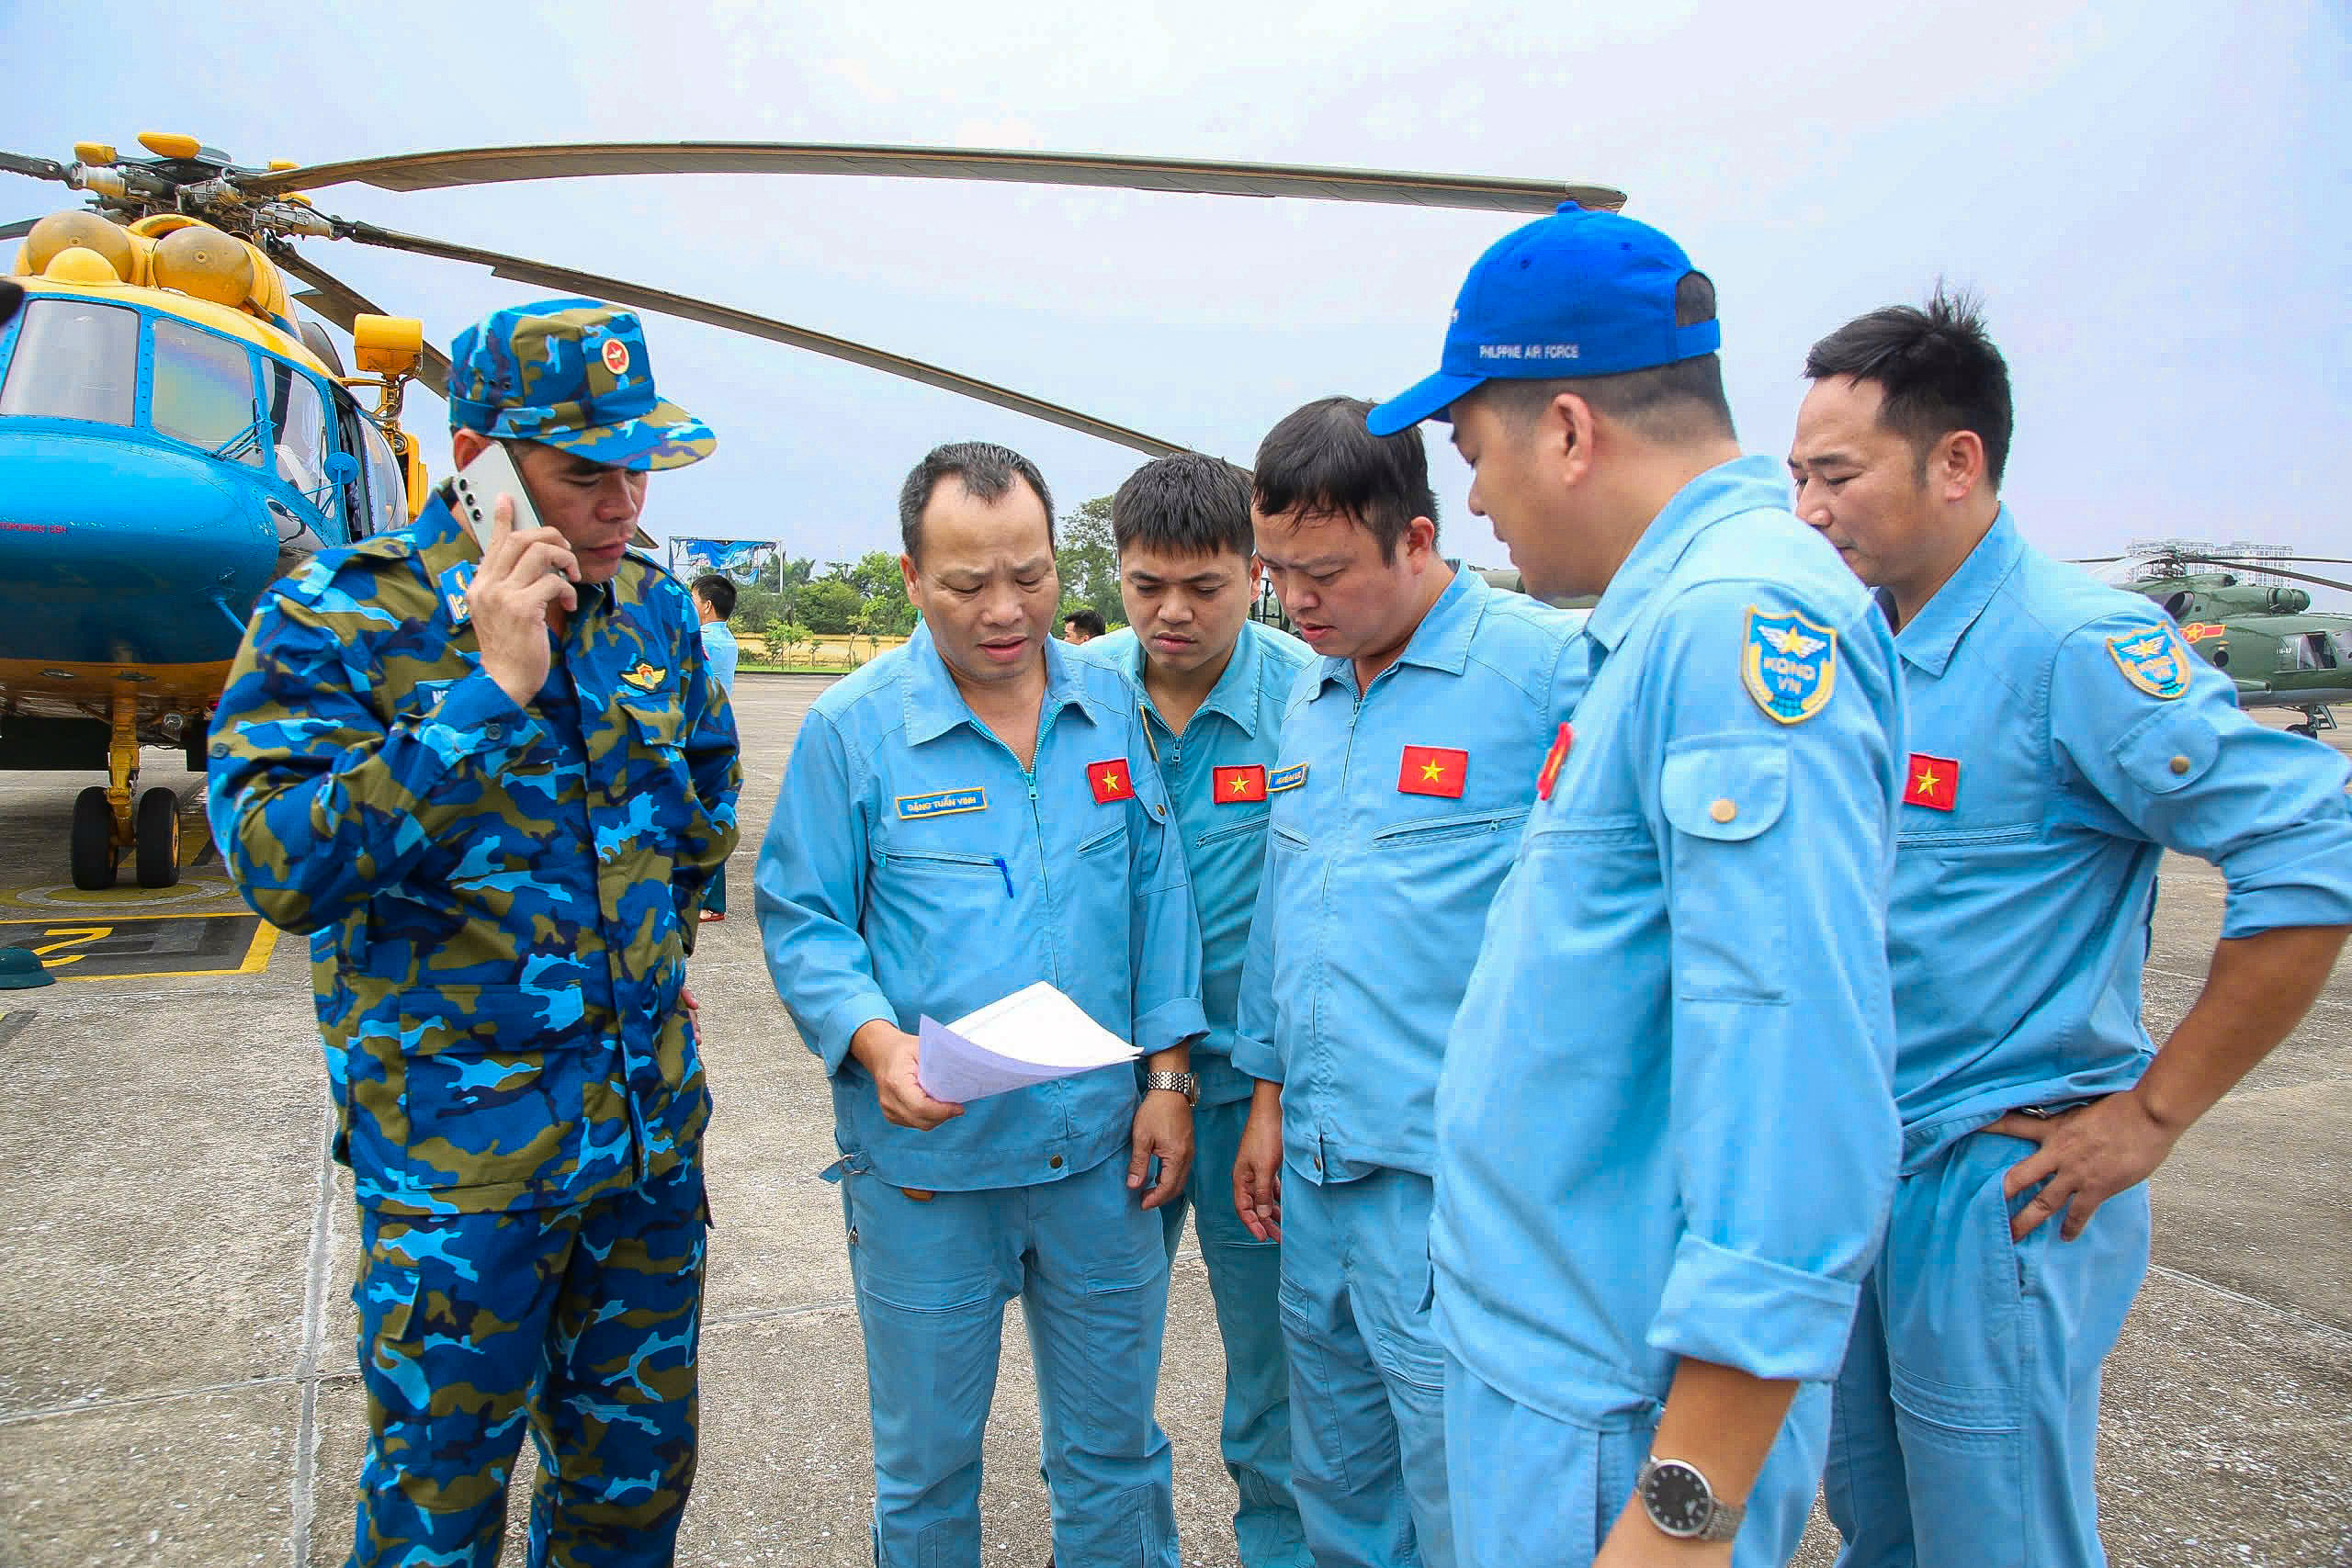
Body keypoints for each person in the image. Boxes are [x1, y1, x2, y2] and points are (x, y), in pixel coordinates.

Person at [1369, 203, 1907, 1567]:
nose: (1474, 497)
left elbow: (1794, 1096)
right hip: (1557, 1368)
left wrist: (1684, 1511)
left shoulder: (1735, 630)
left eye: (1474, 450)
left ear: (1565, 428)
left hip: (1615, 1417)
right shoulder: (1664, 622)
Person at [1788, 293, 2352, 1568]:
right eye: (1797, 476)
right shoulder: (1863, 650)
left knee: (2001, 1540)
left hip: (1996, 1188)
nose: (1808, 510)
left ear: (1956, 461)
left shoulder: (2074, 646)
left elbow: (2311, 847)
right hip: (1864, 1173)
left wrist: (2151, 1115)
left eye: (1836, 474)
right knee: (1880, 1524)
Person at [207, 299, 739, 1563]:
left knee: (633, 1493)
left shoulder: (656, 620)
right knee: (435, 1513)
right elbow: (283, 865)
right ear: (482, 456)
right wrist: (486, 693)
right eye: (583, 470)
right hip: (463, 1179)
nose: (623, 501)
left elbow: (695, 822)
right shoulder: (340, 618)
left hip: (643, 1157)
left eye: (638, 465)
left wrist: (653, 968)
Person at [755, 440, 1205, 1568]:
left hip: (1102, 1161)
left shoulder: (1112, 706)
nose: (1006, 611)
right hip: (930, 1172)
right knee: (928, 1467)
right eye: (966, 585)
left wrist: (1166, 1078)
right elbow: (805, 919)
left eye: (1032, 576)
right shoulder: (851, 731)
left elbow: (1159, 898)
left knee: (1116, 1454)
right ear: (911, 579)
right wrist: (873, 1042)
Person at [1230, 396, 1587, 1568]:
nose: (1297, 601)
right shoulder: (1310, 694)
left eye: (1324, 571)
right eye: (1275, 571)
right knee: (1337, 1490)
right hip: (1320, 1179)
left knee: (1469, 1501)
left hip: (1457, 1192)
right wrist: (1269, 1100)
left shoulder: (1545, 675)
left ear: (1418, 540)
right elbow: (1288, 916)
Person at [1068, 453, 1317, 1568]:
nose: (1172, 613)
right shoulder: (1072, 698)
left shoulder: (1308, 699)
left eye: (1203, 588)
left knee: (1276, 1377)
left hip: (1257, 1094)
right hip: (1104, 1094)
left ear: (1253, 573)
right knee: (1101, 1373)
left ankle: (1282, 1547)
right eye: (1144, 584)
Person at [691, 572, 741, 922]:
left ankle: (711, 901)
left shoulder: (699, 641)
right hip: (719, 732)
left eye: (693, 601)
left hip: (695, 732)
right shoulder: (729, 642)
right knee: (712, 811)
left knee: (701, 817)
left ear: (706, 606)